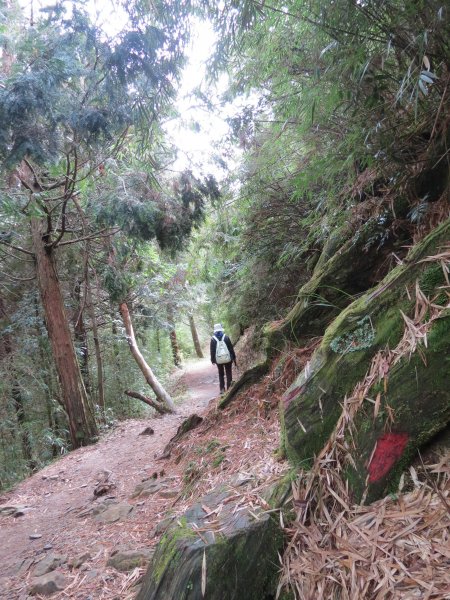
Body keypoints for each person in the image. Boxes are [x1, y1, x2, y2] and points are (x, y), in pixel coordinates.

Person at [210, 323, 236, 394]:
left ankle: (222, 389)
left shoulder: (213, 339)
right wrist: (233, 357)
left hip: (218, 360)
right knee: (228, 372)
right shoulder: (226, 337)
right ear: (221, 329)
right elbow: (231, 348)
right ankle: (229, 388)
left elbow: (212, 351)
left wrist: (213, 360)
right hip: (228, 359)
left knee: (221, 374)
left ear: (215, 330)